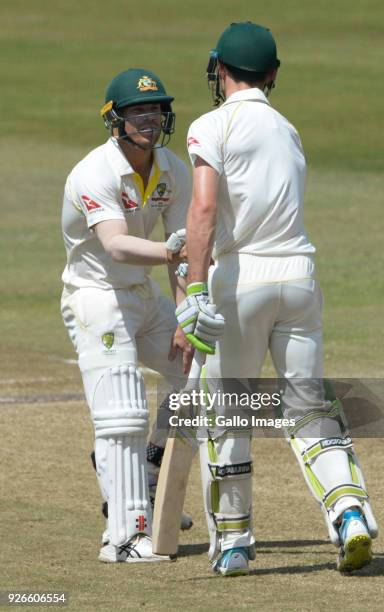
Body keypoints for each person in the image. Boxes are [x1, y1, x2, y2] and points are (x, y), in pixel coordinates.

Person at [176, 22, 378, 576]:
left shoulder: (210, 124)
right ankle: (349, 512)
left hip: (241, 283)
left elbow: (204, 210)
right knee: (307, 410)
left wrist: (195, 286)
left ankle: (236, 544)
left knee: (228, 412)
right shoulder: (288, 129)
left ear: (220, 69)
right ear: (271, 73)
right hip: (299, 279)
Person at [61, 67, 194, 563]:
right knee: (123, 411)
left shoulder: (171, 169)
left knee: (196, 373)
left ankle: (149, 477)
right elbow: (116, 245)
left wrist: (185, 317)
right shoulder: (93, 172)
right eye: (138, 111)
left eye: (156, 108)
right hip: (95, 296)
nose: (150, 118)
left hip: (140, 294)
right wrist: (170, 253)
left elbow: (183, 251)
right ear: (114, 120)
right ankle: (123, 538)